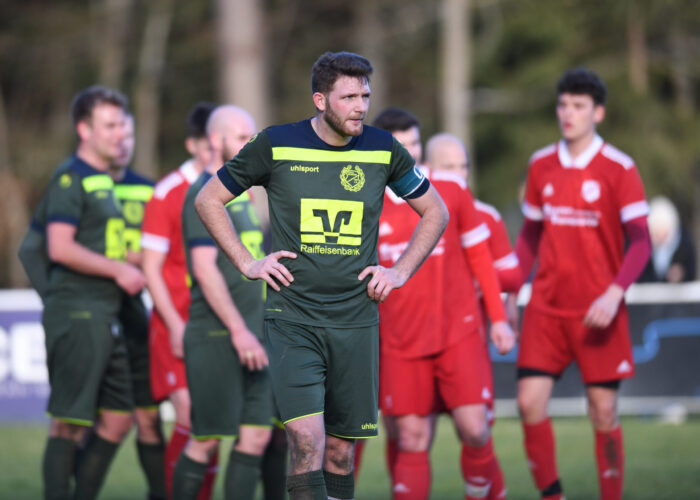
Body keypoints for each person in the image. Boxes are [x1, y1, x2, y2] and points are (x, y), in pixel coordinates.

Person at [194, 51, 449, 500]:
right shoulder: (275, 144)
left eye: (365, 95)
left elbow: (436, 212)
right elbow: (209, 200)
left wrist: (400, 271)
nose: (361, 106)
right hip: (293, 319)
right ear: (319, 99)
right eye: (348, 96)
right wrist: (247, 261)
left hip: (356, 323)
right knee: (306, 440)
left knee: (339, 454)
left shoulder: (382, 148)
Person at [515, 68, 651, 500]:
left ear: (599, 112)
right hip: (546, 309)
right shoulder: (541, 164)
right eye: (563, 105)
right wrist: (509, 285)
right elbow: (530, 236)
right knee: (528, 403)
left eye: (578, 106)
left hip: (598, 311)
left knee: (603, 411)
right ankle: (553, 496)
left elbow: (642, 242)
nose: (567, 114)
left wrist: (614, 293)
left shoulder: (619, 168)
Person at [376, 124, 515, 500]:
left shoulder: (451, 191)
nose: (409, 150)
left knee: (475, 429)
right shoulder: (367, 202)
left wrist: (500, 319)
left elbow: (483, 260)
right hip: (400, 341)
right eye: (400, 143)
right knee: (410, 437)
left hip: (459, 334)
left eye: (414, 142)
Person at [39, 85, 146, 500]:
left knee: (119, 419)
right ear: (84, 130)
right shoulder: (71, 177)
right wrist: (119, 269)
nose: (120, 133)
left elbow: (109, 246)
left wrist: (147, 259)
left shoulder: (103, 180)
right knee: (68, 421)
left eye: (123, 124)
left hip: (107, 314)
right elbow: (59, 247)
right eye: (110, 125)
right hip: (77, 311)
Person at [172, 104, 274, 499]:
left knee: (256, 437)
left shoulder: (243, 195)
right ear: (216, 141)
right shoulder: (203, 194)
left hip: (253, 335)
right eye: (241, 135)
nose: (251, 142)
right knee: (207, 439)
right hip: (218, 335)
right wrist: (238, 331)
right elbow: (205, 269)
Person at [140, 101, 218, 499]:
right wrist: (174, 325)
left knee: (216, 424)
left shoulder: (231, 188)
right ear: (192, 145)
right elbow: (150, 268)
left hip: (216, 325)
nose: (215, 152)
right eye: (208, 145)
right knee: (191, 416)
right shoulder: (168, 192)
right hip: (177, 322)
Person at [109, 115, 167, 500]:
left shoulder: (150, 191)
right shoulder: (78, 185)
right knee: (89, 424)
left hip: (138, 317)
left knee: (148, 418)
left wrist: (142, 261)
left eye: (130, 133)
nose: (123, 141)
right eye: (115, 131)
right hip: (92, 315)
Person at [639, 195, 696, 282]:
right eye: (657, 233)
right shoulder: (640, 248)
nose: (660, 237)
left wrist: (682, 275)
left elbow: (691, 273)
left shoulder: (685, 248)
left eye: (663, 232)